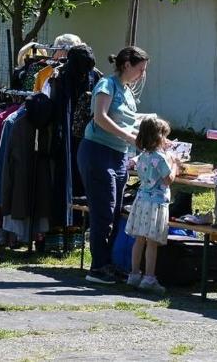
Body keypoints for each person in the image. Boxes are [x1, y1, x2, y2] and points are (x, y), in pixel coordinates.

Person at [77, 46, 149, 284]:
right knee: (103, 212)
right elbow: (101, 117)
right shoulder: (107, 85)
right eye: (140, 69)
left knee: (115, 211)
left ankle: (108, 263)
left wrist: (153, 135)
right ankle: (97, 268)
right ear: (126, 65)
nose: (142, 74)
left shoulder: (127, 91)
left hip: (118, 156)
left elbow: (128, 122)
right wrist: (130, 138)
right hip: (98, 153)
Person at [124, 117, 179, 294]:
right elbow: (168, 179)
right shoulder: (161, 158)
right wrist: (175, 163)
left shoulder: (143, 155)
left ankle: (133, 275)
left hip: (141, 201)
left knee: (139, 239)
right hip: (156, 203)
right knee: (152, 242)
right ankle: (149, 278)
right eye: (165, 136)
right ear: (158, 137)